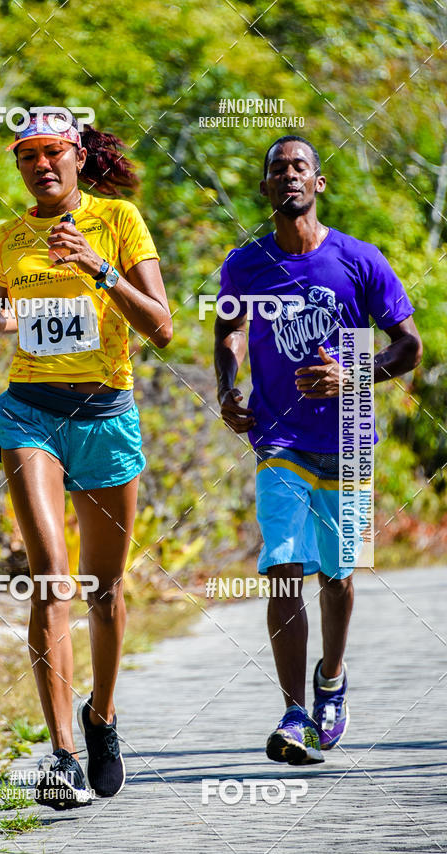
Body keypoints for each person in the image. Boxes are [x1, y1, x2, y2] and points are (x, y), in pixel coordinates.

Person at [0, 109, 172, 806]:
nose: (40, 164)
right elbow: (15, 316)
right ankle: (60, 755)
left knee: (106, 592)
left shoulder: (119, 219)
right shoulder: (5, 238)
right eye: (27, 155)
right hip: (30, 413)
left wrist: (97, 265)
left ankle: (101, 718)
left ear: (78, 156)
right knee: (51, 575)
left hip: (107, 417)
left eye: (53, 151)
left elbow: (162, 327)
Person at [214, 135, 422, 764]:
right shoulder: (245, 264)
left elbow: (408, 347)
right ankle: (294, 711)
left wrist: (353, 376)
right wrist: (227, 388)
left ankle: (331, 679)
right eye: (277, 169)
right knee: (281, 567)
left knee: (338, 575)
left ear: (318, 183)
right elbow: (230, 332)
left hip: (351, 437)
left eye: (300, 167)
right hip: (279, 437)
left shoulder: (360, 260)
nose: (289, 176)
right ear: (266, 187)